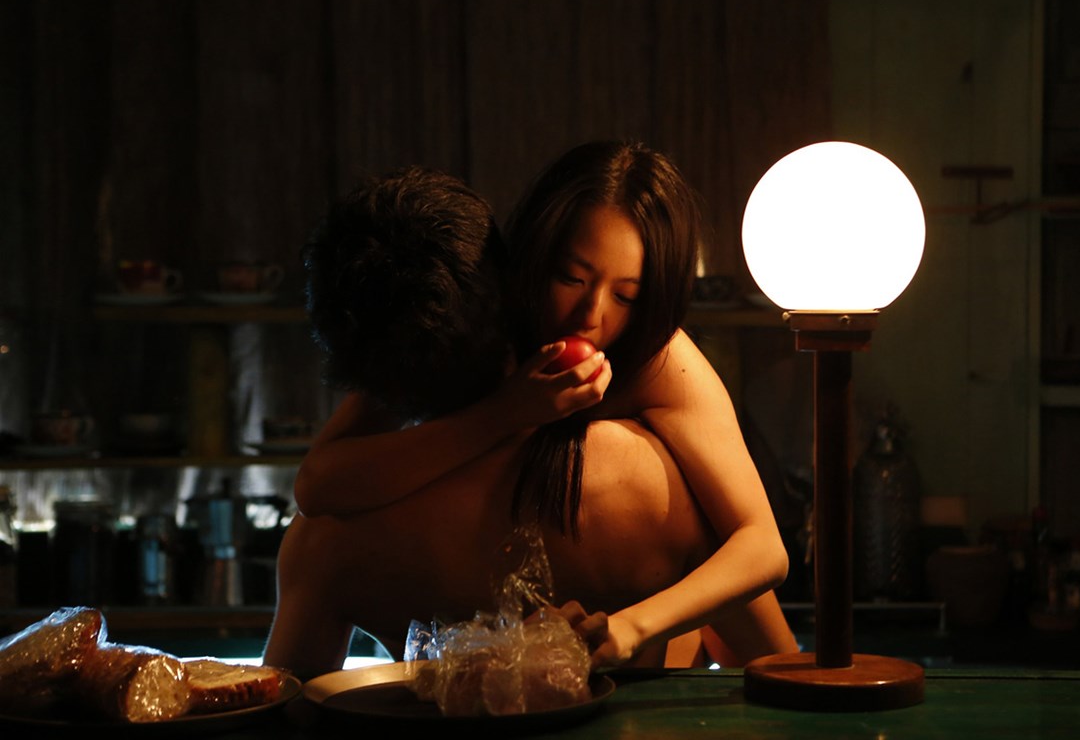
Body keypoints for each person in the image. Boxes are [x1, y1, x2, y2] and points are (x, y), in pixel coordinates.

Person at [263, 166, 795, 678]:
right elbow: (317, 487)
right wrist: (508, 414)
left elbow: (763, 554)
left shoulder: (657, 362)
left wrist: (633, 627)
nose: (590, 315)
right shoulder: (444, 329)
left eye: (626, 295)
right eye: (571, 278)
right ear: (531, 264)